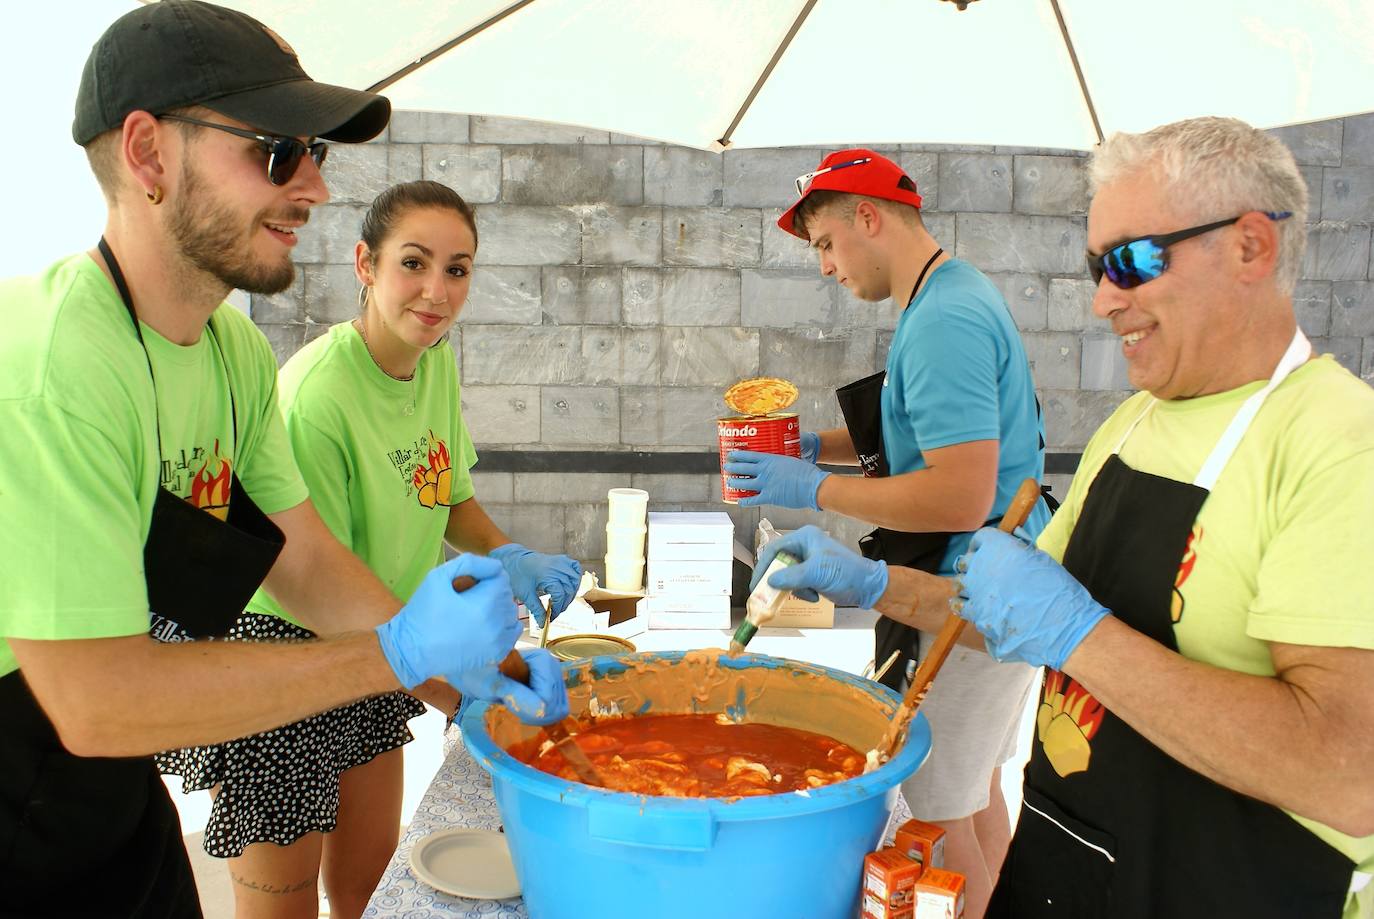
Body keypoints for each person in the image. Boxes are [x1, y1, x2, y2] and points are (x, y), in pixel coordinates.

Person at [0, 4, 566, 917]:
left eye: (317, 153)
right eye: (275, 151)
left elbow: (302, 561)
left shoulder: (231, 351)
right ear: (147, 156)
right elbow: (95, 698)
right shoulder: (51, 366)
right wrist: (397, 651)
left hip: (104, 785)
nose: (312, 185)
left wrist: (474, 685)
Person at [753, 118, 1374, 919]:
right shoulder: (1133, 426)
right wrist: (876, 581)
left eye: (1132, 261)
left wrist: (1083, 636)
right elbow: (1010, 620)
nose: (1102, 299)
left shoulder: (1338, 443)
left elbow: (1349, 773)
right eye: (1095, 266)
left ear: (1251, 246)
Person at [155, 179, 582, 918]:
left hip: (389, 632)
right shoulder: (318, 397)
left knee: (370, 887)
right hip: (284, 657)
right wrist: (463, 688)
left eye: (457, 269)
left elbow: (447, 494)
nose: (436, 291)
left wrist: (512, 554)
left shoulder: (435, 359)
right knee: (283, 908)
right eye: (412, 263)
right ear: (365, 264)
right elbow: (320, 585)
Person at [722, 149, 1051, 916]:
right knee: (975, 797)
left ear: (868, 216)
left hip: (966, 593)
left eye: (827, 245)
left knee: (937, 816)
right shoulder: (951, 293)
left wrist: (819, 490)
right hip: (1005, 577)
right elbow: (932, 438)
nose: (827, 269)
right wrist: (816, 446)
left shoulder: (943, 320)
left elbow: (960, 494)